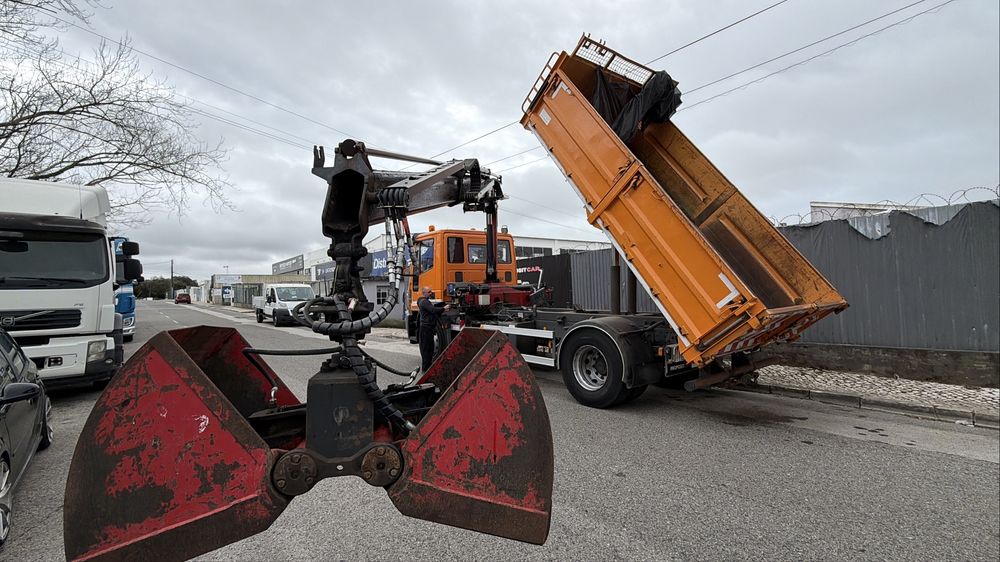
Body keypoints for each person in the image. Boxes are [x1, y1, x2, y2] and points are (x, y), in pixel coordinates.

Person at [417, 286, 450, 372]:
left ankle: (427, 367)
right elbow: (433, 310)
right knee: (427, 349)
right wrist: (444, 308)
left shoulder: (423, 301)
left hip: (427, 328)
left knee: (429, 348)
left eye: (431, 292)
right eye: (429, 292)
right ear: (424, 293)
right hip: (426, 329)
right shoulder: (424, 302)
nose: (431, 293)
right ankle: (426, 369)